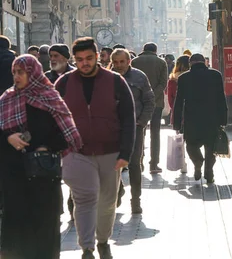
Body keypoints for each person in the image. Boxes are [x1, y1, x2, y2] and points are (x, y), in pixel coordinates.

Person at [55, 38, 135, 259]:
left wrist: (126, 153)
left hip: (110, 151)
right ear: (74, 60)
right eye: (79, 60)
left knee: (108, 201)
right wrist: (63, 149)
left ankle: (102, 241)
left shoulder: (115, 81)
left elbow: (128, 118)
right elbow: (52, 116)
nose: (84, 63)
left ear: (98, 56)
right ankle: (87, 247)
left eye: (89, 58)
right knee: (85, 200)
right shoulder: (63, 83)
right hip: (77, 152)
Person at [0, 55, 82, 259]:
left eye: (21, 72)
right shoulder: (6, 99)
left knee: (44, 232)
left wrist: (47, 146)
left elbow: (67, 136)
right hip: (14, 176)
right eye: (14, 73)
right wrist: (8, 138)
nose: (17, 77)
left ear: (33, 73)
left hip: (43, 176)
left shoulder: (50, 97)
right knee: (16, 233)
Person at [110, 48, 155, 214]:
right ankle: (118, 190)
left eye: (122, 61)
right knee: (113, 164)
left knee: (135, 164)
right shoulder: (108, 78)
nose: (119, 65)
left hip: (135, 128)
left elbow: (149, 101)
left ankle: (136, 200)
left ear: (129, 61)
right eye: (116, 62)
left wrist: (142, 122)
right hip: (114, 129)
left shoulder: (139, 77)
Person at [172, 54, 227, 183]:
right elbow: (221, 99)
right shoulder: (216, 75)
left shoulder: (184, 78)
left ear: (190, 64)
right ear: (205, 62)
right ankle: (209, 171)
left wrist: (176, 123)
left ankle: (197, 162)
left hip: (192, 119)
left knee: (191, 145)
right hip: (212, 118)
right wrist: (223, 119)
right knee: (211, 147)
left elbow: (179, 101)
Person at [131, 42, 168, 174]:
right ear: (155, 50)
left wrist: (143, 96)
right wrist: (153, 94)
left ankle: (139, 161)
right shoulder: (161, 62)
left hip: (139, 103)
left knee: (140, 132)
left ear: (143, 50)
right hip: (156, 103)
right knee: (155, 133)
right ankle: (154, 164)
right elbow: (164, 82)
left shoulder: (134, 61)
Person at [167, 55, 191, 171]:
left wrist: (175, 110)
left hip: (178, 113)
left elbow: (171, 99)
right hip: (191, 112)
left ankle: (183, 163)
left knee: (180, 140)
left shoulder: (172, 79)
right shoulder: (192, 77)